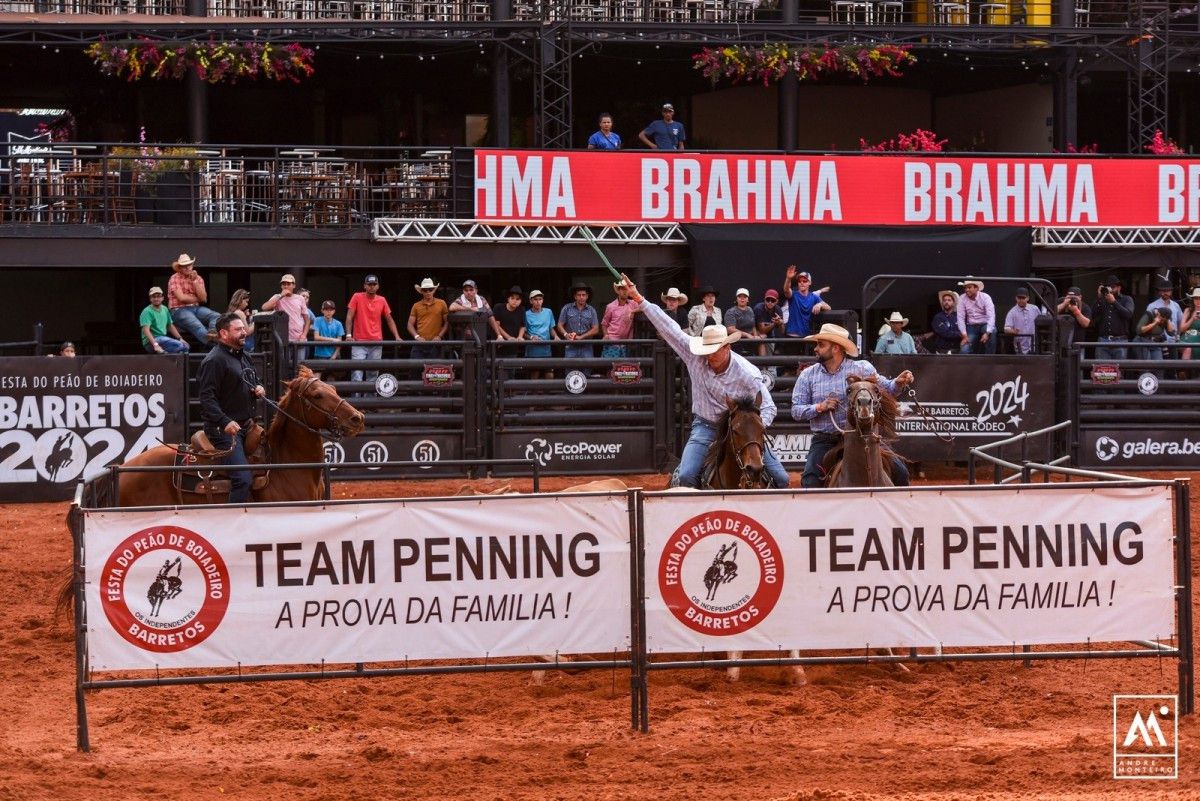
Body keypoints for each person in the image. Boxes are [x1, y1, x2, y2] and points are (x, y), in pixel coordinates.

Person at [619, 273, 790, 489]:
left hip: (743, 428)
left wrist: (752, 427)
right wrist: (639, 298)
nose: (709, 356)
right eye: (706, 350)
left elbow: (769, 407)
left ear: (727, 347)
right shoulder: (694, 355)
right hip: (706, 425)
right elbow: (668, 327)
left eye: (714, 351)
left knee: (782, 479)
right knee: (686, 477)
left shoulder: (748, 373)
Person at [791, 322, 914, 489]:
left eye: (821, 344)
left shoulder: (861, 368)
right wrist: (820, 407)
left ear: (836, 348)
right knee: (810, 480)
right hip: (826, 439)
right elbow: (796, 411)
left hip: (862, 435)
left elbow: (888, 388)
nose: (816, 349)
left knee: (900, 472)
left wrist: (899, 382)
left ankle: (900, 511)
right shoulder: (808, 375)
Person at [196, 313, 266, 504]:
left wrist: (258, 388)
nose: (244, 332)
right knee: (242, 480)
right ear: (224, 334)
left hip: (247, 426)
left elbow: (252, 381)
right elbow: (206, 398)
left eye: (244, 328)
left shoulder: (245, 357)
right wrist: (224, 421)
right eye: (238, 330)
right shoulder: (214, 360)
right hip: (223, 431)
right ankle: (230, 524)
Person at [345, 274, 402, 385]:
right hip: (359, 342)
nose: (371, 286)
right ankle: (357, 402)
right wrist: (348, 335)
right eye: (369, 284)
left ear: (378, 286)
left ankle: (370, 401)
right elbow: (349, 316)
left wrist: (397, 336)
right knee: (357, 374)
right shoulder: (357, 296)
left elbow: (389, 319)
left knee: (373, 375)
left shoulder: (382, 300)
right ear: (364, 286)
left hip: (376, 342)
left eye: (374, 284)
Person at [166, 253, 220, 349]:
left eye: (189, 265)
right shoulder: (174, 278)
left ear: (192, 266)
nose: (187, 267)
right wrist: (198, 298)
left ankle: (212, 333)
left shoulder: (198, 278)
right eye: (184, 266)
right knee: (197, 325)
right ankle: (216, 347)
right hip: (178, 310)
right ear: (180, 268)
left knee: (216, 316)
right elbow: (181, 298)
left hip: (195, 308)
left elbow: (203, 298)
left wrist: (194, 281)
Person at [261, 274, 312, 358]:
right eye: (283, 284)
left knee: (300, 368)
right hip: (283, 340)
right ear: (281, 286)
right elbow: (264, 307)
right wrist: (281, 296)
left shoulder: (300, 298)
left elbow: (307, 319)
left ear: (294, 285)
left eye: (288, 284)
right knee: (284, 367)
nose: (286, 286)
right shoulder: (277, 297)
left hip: (299, 339)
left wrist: (304, 335)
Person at [1091, 274, 1134, 360]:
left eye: (1113, 287)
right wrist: (1099, 297)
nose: (1110, 289)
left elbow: (1128, 314)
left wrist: (1114, 302)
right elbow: (1093, 314)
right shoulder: (1102, 300)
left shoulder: (1127, 299)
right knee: (1102, 370)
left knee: (1119, 369)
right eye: (1108, 287)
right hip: (1103, 340)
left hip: (1120, 341)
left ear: (1119, 288)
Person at [782, 266, 829, 339]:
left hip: (807, 338)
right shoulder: (794, 295)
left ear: (809, 283)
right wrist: (788, 278)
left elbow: (828, 307)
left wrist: (820, 304)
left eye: (804, 281)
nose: (801, 283)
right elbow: (786, 290)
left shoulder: (813, 297)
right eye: (799, 281)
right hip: (792, 337)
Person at [139, 286, 190, 354]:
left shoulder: (165, 309)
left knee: (186, 347)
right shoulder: (147, 311)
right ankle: (162, 352)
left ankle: (165, 355)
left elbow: (170, 325)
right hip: (151, 342)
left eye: (158, 296)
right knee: (179, 345)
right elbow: (146, 330)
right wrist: (156, 345)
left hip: (163, 339)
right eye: (153, 297)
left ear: (162, 298)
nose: (156, 299)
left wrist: (180, 338)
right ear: (150, 299)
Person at [408, 277, 449, 359]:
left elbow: (447, 322)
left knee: (435, 369)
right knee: (415, 368)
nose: (428, 292)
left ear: (434, 290)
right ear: (421, 291)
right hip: (420, 343)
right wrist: (417, 337)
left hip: (436, 343)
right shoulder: (416, 305)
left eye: (430, 289)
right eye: (425, 290)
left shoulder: (441, 303)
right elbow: (409, 324)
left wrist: (439, 336)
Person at [557, 282, 600, 360]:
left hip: (587, 346)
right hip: (571, 346)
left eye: (583, 295)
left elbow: (596, 329)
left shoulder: (591, 310)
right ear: (575, 296)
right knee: (570, 370)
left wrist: (581, 337)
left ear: (587, 296)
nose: (581, 297)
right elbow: (560, 325)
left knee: (586, 369)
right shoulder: (567, 308)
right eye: (579, 295)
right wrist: (566, 335)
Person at [524, 289, 559, 379]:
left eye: (540, 299)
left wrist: (556, 336)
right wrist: (531, 337)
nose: (538, 302)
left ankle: (548, 393)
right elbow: (523, 333)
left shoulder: (548, 312)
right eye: (535, 299)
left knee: (549, 374)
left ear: (543, 300)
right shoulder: (526, 314)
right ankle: (534, 393)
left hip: (546, 349)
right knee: (535, 374)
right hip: (533, 350)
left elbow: (551, 328)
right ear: (531, 301)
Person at [601, 281, 640, 357]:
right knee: (611, 366)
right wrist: (606, 335)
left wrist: (633, 311)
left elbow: (644, 306)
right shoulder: (610, 306)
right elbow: (604, 323)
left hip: (626, 343)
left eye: (626, 289)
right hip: (612, 341)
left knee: (624, 367)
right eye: (622, 289)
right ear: (618, 291)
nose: (625, 291)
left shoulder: (633, 304)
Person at [956, 277, 995, 354]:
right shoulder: (962, 298)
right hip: (971, 326)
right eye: (965, 288)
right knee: (964, 351)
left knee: (992, 331)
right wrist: (964, 335)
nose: (966, 290)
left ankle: (989, 360)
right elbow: (960, 318)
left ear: (976, 288)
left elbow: (991, 316)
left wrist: (987, 333)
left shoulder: (985, 297)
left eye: (969, 287)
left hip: (985, 324)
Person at [310, 300, 345, 378]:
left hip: (333, 355)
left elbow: (340, 342)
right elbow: (316, 337)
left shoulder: (338, 324)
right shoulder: (317, 320)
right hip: (320, 355)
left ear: (334, 311)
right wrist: (333, 339)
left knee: (333, 381)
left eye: (331, 310)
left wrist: (334, 356)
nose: (329, 312)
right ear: (322, 311)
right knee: (315, 379)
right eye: (326, 309)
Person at [919, 290, 960, 354]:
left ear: (953, 302)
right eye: (944, 300)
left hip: (957, 349)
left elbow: (964, 330)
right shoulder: (938, 317)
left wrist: (961, 333)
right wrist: (960, 334)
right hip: (941, 350)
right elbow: (944, 333)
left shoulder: (959, 316)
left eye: (949, 300)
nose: (946, 302)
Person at [1002, 287, 1039, 354]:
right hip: (1020, 347)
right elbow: (1006, 329)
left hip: (1034, 345)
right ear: (1016, 298)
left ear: (1028, 298)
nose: (1021, 300)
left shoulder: (1034, 309)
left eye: (1023, 298)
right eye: (1019, 298)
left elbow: (1041, 321)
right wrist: (1013, 331)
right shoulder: (1012, 312)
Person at [725, 288, 761, 356]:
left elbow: (753, 326)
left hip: (750, 343)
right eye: (740, 296)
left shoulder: (750, 310)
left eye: (744, 297)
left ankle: (766, 366)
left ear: (748, 299)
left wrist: (755, 336)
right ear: (736, 299)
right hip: (736, 344)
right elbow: (730, 329)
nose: (742, 299)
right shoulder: (730, 312)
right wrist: (747, 335)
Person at [1180, 288, 1200, 360]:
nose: (1198, 301)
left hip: (1198, 339)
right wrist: (1192, 319)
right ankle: (1183, 370)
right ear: (1193, 299)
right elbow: (1181, 329)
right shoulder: (1188, 310)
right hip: (1186, 338)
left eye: (1199, 298)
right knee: (1188, 348)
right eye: (1196, 298)